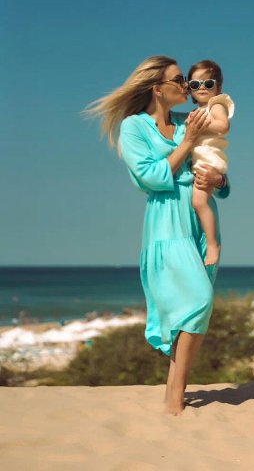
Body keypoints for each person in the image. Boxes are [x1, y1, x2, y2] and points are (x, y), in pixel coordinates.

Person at [81, 55, 230, 416]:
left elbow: (214, 164)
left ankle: (174, 390)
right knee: (197, 301)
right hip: (166, 222)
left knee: (194, 313)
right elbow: (149, 178)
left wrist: (219, 180)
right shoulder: (134, 127)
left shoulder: (188, 119)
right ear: (157, 89)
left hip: (200, 217)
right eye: (179, 80)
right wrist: (187, 142)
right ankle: (174, 394)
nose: (186, 86)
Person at [186, 60, 235, 266]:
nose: (202, 88)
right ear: (189, 89)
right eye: (195, 84)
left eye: (208, 83)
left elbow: (223, 126)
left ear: (218, 87)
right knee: (198, 202)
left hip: (209, 161)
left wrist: (199, 126)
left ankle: (212, 244)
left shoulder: (216, 105)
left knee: (199, 202)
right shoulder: (198, 111)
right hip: (202, 159)